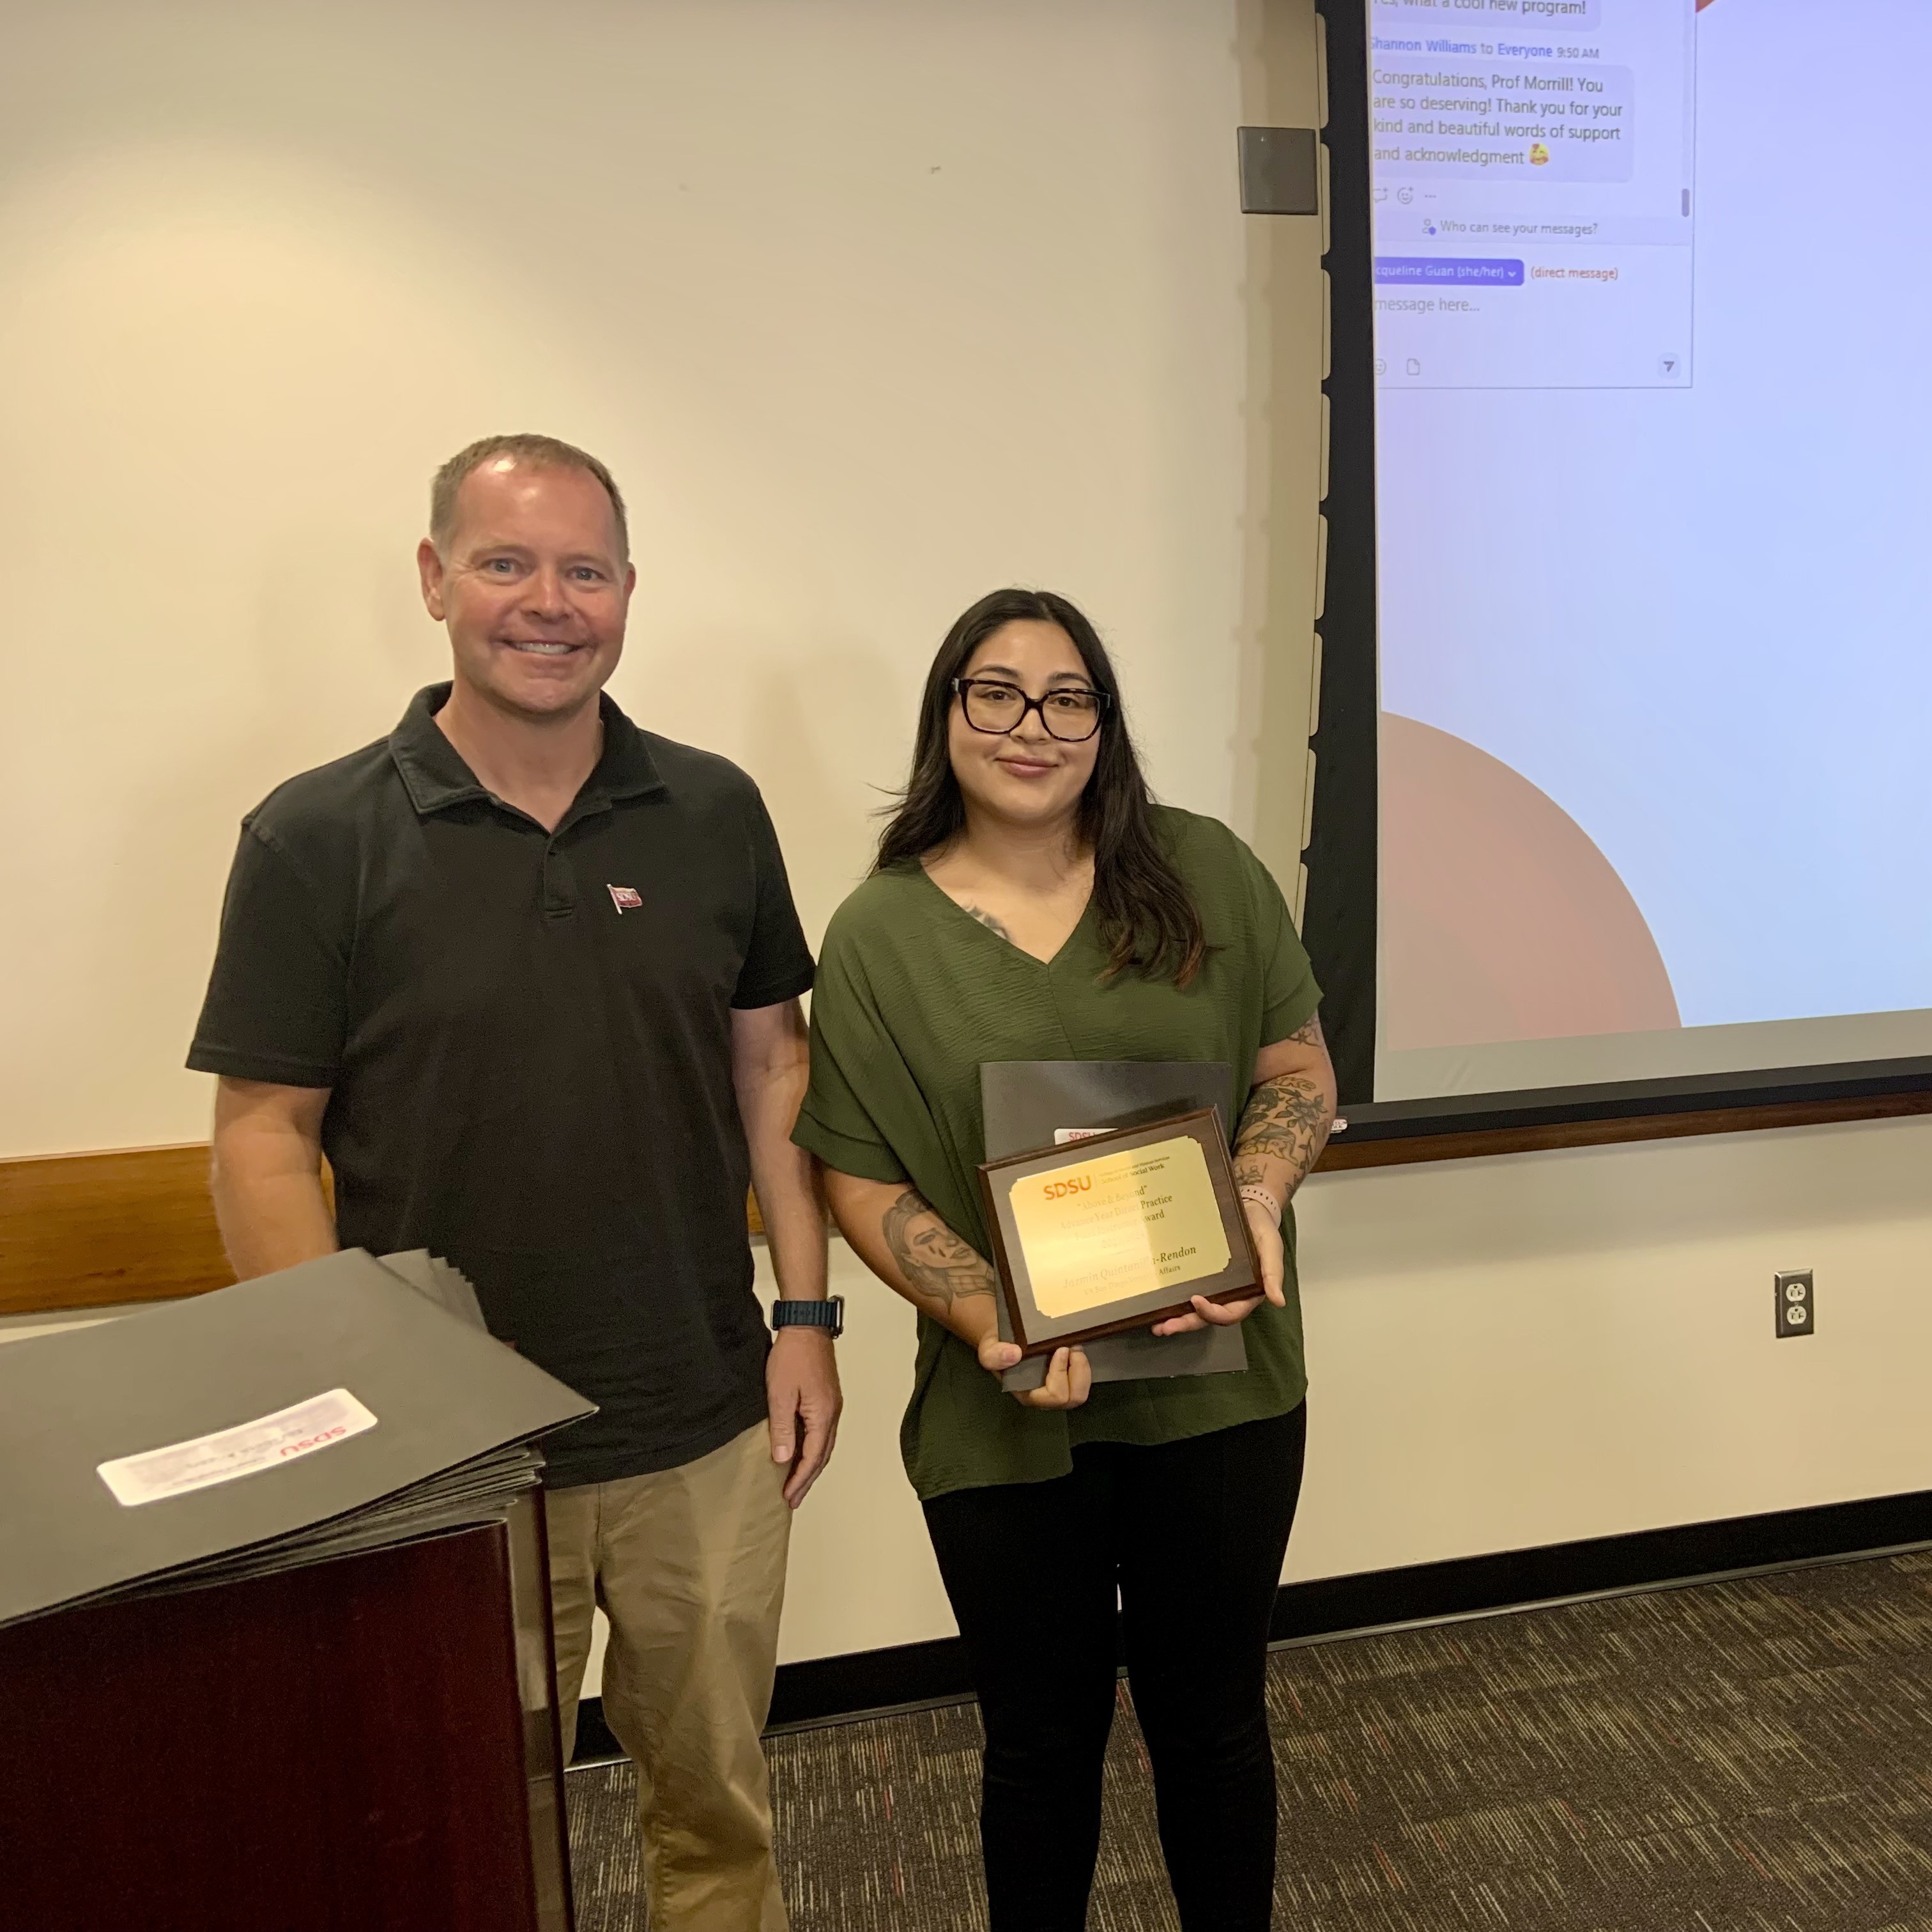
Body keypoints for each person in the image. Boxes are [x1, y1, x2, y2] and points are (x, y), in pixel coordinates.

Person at [188, 433, 836, 1932]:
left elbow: (774, 1074)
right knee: (457, 1836)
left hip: (700, 1424)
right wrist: (363, 1420)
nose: (549, 602)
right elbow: (264, 1138)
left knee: (718, 1815)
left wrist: (805, 1313)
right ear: (435, 581)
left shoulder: (717, 809)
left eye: (586, 569)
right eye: (506, 563)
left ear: (627, 592)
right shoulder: (316, 835)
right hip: (457, 1462)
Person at [792, 586, 1337, 1932]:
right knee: (1038, 1750)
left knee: (1213, 1729)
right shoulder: (880, 935)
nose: (1032, 725)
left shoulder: (1208, 871)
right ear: (948, 714)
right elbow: (857, 1173)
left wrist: (1257, 1194)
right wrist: (989, 1313)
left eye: (1068, 695)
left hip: (1222, 1393)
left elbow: (1296, 1065)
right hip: (1005, 1409)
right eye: (996, 691)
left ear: (1105, 722)